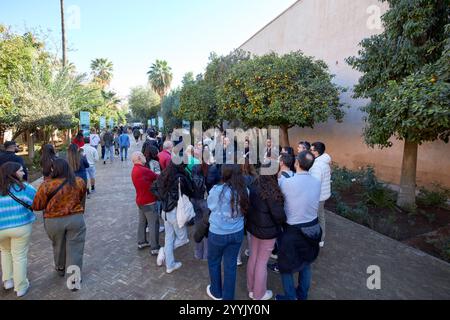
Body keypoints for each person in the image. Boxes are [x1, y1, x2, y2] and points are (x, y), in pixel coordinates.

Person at [32, 158, 87, 287]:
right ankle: (73, 279)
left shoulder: (46, 185)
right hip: (75, 218)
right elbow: (81, 198)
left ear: (53, 169)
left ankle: (60, 267)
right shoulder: (78, 182)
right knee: (75, 249)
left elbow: (37, 205)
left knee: (58, 245)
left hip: (53, 220)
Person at [276, 151, 322, 300]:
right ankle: (302, 295)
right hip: (314, 228)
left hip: (293, 230)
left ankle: (290, 297)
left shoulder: (286, 182)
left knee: (285, 266)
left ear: (296, 163)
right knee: (306, 262)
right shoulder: (317, 182)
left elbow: (279, 201)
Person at [206, 164, 249, 300]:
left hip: (217, 233)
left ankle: (216, 292)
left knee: (214, 261)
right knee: (230, 266)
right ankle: (228, 297)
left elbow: (210, 206)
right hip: (237, 233)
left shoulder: (217, 190)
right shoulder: (245, 191)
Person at [246, 173, 286, 300]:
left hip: (254, 229)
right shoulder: (273, 192)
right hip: (268, 234)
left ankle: (251, 290)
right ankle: (259, 294)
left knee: (253, 258)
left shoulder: (253, 186)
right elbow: (279, 216)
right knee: (262, 262)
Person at [0, 162, 37, 297]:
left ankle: (7, 281)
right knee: (19, 256)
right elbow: (37, 201)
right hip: (21, 226)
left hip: (1, 228)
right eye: (21, 171)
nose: (23, 173)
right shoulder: (24, 187)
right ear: (13, 173)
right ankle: (20, 286)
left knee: (5, 251)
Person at [152, 162, 193, 274]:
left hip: (165, 211)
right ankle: (164, 252)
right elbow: (191, 190)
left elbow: (154, 187)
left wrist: (163, 198)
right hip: (176, 211)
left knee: (169, 237)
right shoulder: (180, 178)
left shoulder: (165, 174)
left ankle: (170, 265)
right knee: (183, 239)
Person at [131, 152, 160, 254]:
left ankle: (142, 241)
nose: (145, 157)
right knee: (153, 223)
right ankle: (155, 247)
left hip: (140, 200)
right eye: (143, 156)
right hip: (149, 201)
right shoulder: (143, 170)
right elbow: (157, 177)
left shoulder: (134, 169)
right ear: (139, 158)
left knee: (142, 221)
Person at [309, 142, 331, 248]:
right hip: (323, 195)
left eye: (311, 150)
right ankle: (321, 238)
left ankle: (318, 239)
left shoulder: (317, 165)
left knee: (315, 218)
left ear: (317, 152)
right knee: (321, 216)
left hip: (318, 197)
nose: (310, 151)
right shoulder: (324, 162)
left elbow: (315, 184)